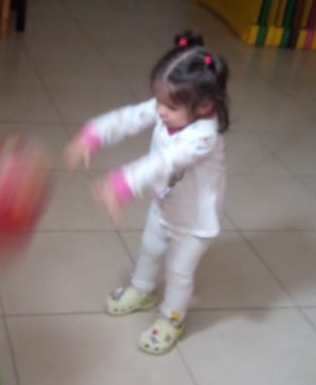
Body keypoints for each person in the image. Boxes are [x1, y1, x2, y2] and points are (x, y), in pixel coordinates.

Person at [64, 30, 229, 355]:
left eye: (170, 106)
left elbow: (166, 161)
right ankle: (142, 289)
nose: (160, 110)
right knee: (150, 250)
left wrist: (122, 183)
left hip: (195, 223)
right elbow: (129, 117)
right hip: (165, 204)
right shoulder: (167, 106)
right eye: (158, 100)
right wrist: (94, 135)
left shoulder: (204, 137)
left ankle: (172, 318)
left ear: (204, 105)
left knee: (179, 272)